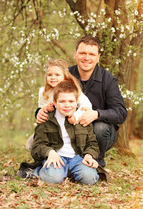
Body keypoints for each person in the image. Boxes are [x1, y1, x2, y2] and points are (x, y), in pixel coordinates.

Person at [36, 36, 128, 167]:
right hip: (68, 126)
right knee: (41, 132)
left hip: (98, 131)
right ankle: (57, 160)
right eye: (82, 53)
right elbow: (49, 95)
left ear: (98, 57)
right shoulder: (64, 75)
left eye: (91, 54)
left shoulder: (108, 80)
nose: (86, 57)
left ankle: (96, 161)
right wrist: (39, 112)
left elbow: (121, 113)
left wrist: (97, 114)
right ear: (75, 54)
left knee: (100, 128)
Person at [20, 80, 100, 185]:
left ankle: (68, 172)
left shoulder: (82, 118)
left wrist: (89, 155)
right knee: (53, 179)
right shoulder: (46, 118)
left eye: (71, 101)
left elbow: (92, 143)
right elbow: (37, 146)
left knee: (90, 178)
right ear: (55, 102)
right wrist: (50, 152)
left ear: (77, 102)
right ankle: (37, 171)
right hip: (56, 158)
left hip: (77, 158)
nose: (67, 105)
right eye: (62, 101)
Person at [26, 58, 92, 151]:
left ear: (64, 76)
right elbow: (41, 108)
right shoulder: (43, 92)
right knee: (31, 143)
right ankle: (44, 157)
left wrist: (75, 116)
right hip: (52, 126)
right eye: (50, 75)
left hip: (70, 125)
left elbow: (87, 105)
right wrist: (43, 110)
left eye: (57, 75)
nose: (53, 77)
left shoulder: (73, 90)